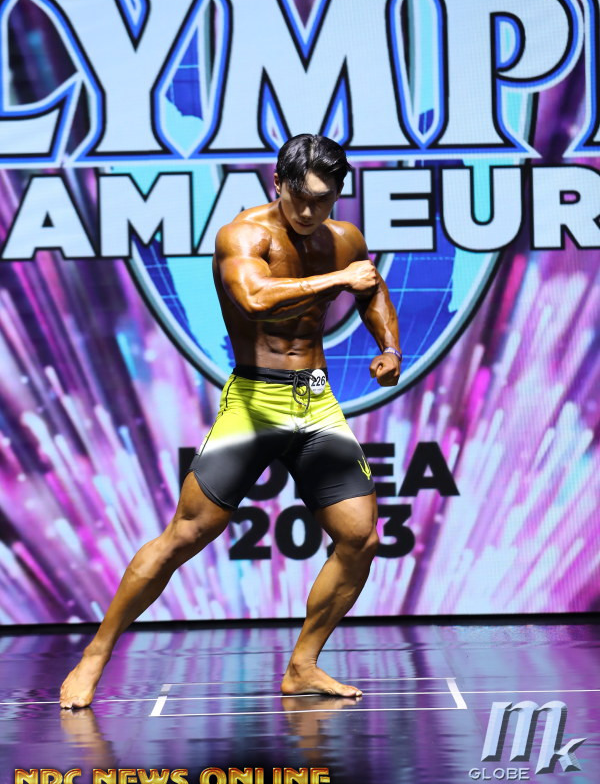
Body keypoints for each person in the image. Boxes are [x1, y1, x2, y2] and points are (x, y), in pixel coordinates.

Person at [60, 134, 402, 708]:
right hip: (255, 401)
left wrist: (389, 346)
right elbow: (255, 299)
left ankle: (302, 666)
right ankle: (95, 654)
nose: (310, 211)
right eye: (300, 198)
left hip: (315, 400)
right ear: (278, 184)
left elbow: (371, 289)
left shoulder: (344, 240)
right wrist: (337, 280)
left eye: (323, 200)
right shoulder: (243, 234)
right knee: (185, 535)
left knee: (359, 537)